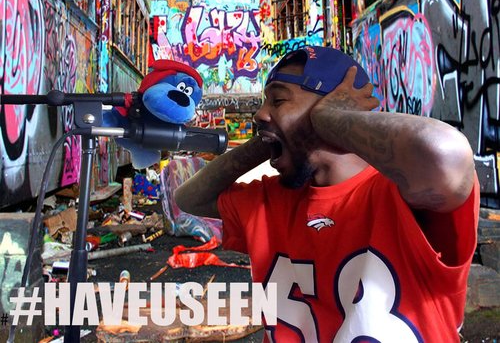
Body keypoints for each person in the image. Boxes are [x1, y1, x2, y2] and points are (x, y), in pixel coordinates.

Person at [175, 45, 478, 342]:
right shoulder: (270, 199)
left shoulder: (400, 192)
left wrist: (326, 119)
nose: (260, 113)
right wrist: (268, 141)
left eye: (278, 100)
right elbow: (188, 199)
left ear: (335, 109)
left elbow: (445, 154)